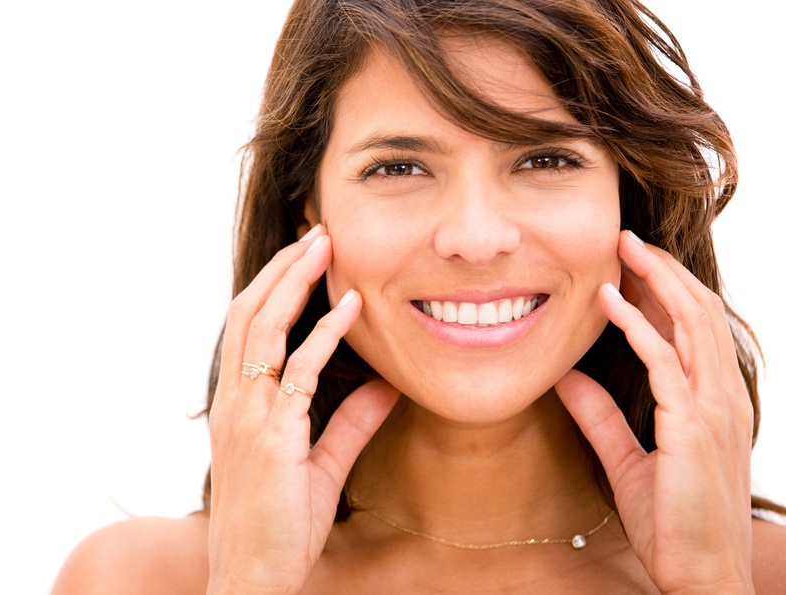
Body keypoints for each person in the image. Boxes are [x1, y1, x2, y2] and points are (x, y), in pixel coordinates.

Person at [52, 0, 786, 592]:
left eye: (546, 157)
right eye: (399, 167)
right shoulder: (142, 580)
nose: (475, 236)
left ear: (629, 198)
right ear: (307, 206)